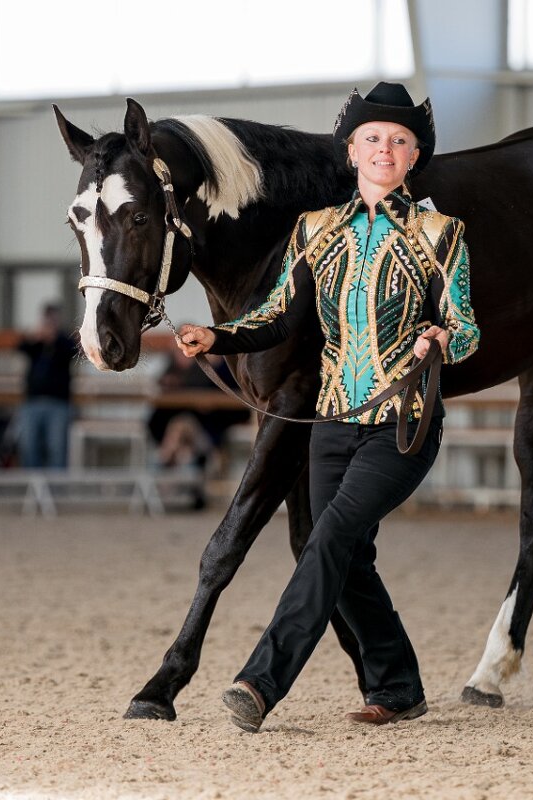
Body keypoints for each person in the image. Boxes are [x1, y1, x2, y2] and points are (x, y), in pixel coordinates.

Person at [175, 82, 480, 732]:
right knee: (349, 560)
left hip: (402, 426)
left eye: (399, 140)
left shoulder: (440, 233)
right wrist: (217, 337)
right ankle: (398, 686)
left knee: (329, 538)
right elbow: (277, 315)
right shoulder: (315, 231)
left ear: (414, 156)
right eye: (372, 138)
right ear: (351, 151)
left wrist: (442, 337)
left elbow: (467, 327)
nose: (384, 149)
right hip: (333, 424)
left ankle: (261, 681)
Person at [16, 303, 76, 469]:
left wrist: (55, 339)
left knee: (56, 448)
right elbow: (20, 347)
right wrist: (35, 338)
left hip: (58, 403)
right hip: (32, 401)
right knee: (29, 447)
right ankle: (31, 482)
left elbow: (72, 351)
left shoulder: (64, 341)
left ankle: (57, 484)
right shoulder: (35, 343)